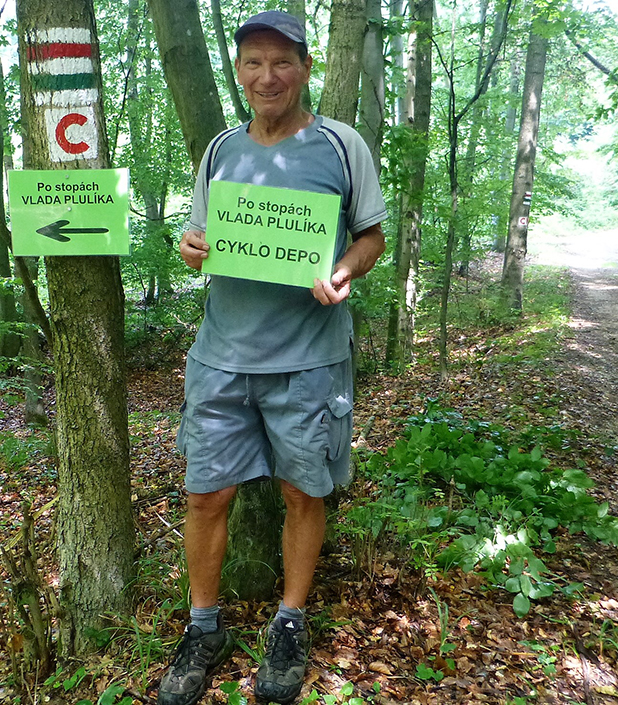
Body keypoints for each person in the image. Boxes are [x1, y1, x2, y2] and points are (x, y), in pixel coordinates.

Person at [157, 11, 386, 705]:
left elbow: (371, 236)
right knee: (205, 491)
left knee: (303, 489)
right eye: (253, 63)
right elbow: (198, 236)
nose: (267, 76)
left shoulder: (342, 146)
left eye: (281, 62)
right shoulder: (223, 148)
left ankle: (290, 621)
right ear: (238, 72)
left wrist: (344, 269)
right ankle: (203, 626)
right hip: (222, 356)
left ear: (307, 67)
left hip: (310, 360)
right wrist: (187, 247)